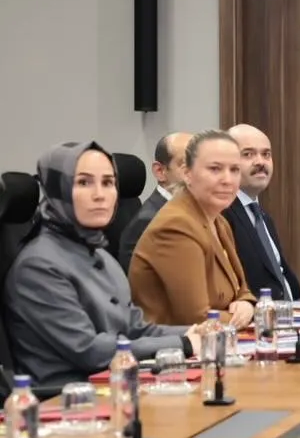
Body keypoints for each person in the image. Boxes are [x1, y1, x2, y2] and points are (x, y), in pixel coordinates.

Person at [4, 141, 199, 389]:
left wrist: (197, 332)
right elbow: (88, 350)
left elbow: (135, 329)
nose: (100, 194)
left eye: (108, 183)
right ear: (57, 191)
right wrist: (183, 344)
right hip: (66, 398)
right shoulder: (38, 266)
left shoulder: (101, 255)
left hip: (115, 384)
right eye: (84, 183)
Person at [129, 129, 256, 327]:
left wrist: (247, 304)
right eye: (215, 169)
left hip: (221, 339)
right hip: (176, 344)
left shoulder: (219, 221)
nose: (227, 180)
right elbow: (197, 318)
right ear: (187, 174)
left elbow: (241, 289)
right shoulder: (176, 225)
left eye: (234, 170)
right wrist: (243, 318)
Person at [223, 123, 300, 301]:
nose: (260, 162)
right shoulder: (222, 215)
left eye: (266, 154)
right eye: (248, 154)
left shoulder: (262, 216)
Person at [118, 131, 190, 270]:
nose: (197, 173)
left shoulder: (196, 211)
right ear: (160, 171)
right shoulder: (149, 221)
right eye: (186, 165)